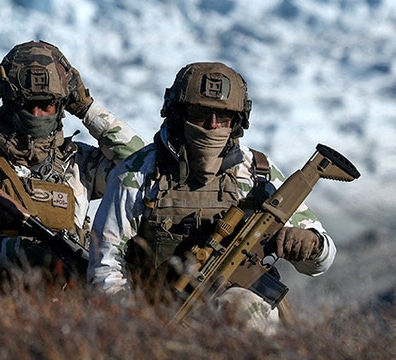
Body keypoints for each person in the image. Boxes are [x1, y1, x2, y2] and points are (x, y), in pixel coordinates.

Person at [89, 62, 336, 331]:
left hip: (243, 323)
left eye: (224, 117)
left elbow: (321, 261)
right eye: (199, 114)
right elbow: (106, 266)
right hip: (159, 317)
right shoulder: (139, 173)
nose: (212, 125)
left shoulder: (256, 174)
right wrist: (135, 325)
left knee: (243, 306)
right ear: (177, 114)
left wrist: (311, 244)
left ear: (238, 122)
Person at [0, 40, 145, 284]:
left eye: (47, 105)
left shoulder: (80, 164)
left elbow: (139, 164)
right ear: (8, 101)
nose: (37, 114)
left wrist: (87, 109)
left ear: (63, 105)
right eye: (27, 105)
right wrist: (12, 251)